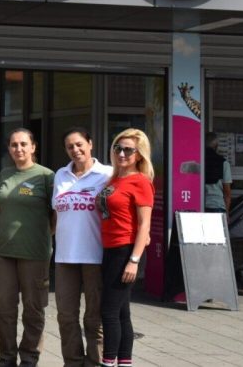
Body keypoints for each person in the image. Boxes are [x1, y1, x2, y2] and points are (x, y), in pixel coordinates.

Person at [0, 129, 54, 367]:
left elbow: (56, 213)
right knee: (3, 308)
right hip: (3, 251)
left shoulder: (46, 176)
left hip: (34, 254)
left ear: (33, 147)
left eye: (24, 144)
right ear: (9, 148)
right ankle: (7, 357)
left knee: (33, 309)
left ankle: (29, 357)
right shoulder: (4, 174)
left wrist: (45, 236)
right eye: (14, 144)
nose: (19, 149)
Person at [51, 128, 111, 367]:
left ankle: (95, 361)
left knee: (95, 317)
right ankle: (73, 362)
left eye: (79, 144)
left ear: (90, 144)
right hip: (65, 256)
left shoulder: (106, 174)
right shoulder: (61, 175)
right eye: (70, 147)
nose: (75, 150)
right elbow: (56, 214)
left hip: (95, 255)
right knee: (66, 316)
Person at [97, 129, 154, 367]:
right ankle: (124, 362)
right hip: (110, 249)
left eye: (128, 150)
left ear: (139, 155)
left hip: (125, 250)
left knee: (108, 312)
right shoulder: (114, 179)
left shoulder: (140, 181)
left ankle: (108, 361)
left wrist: (134, 260)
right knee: (121, 313)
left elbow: (144, 225)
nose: (121, 154)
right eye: (118, 148)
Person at [203, 132, 231, 214]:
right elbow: (227, 192)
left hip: (199, 204)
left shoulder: (198, 161)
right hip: (217, 205)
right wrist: (227, 213)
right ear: (216, 145)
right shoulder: (224, 163)